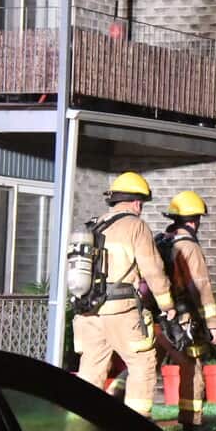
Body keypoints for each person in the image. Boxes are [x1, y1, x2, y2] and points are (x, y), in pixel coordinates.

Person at [72, 172, 175, 418]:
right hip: (120, 310)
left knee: (91, 370)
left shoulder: (94, 225)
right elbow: (152, 269)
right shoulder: (136, 226)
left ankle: (79, 427)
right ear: (137, 202)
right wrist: (167, 303)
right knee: (142, 363)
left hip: (88, 310)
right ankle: (138, 426)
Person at [152, 190, 216, 431]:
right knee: (192, 366)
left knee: (144, 366)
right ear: (194, 220)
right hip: (183, 318)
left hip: (156, 316)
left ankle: (121, 410)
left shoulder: (163, 240)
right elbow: (200, 286)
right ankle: (192, 420)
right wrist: (213, 323)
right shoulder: (189, 247)